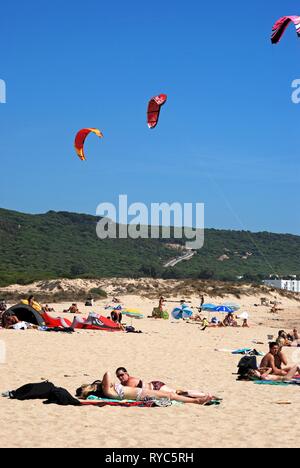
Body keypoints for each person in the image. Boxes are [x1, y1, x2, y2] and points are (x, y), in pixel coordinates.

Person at [76, 372, 215, 405]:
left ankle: (198, 398)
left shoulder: (109, 390)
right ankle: (197, 401)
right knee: (171, 396)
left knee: (171, 395)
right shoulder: (108, 391)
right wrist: (97, 384)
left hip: (140, 393)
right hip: (140, 394)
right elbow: (107, 373)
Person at [115, 368, 213, 399]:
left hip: (156, 387)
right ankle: (201, 394)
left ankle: (204, 395)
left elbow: (128, 392)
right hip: (155, 386)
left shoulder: (130, 381)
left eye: (122, 375)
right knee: (178, 392)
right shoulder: (125, 382)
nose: (120, 377)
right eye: (118, 376)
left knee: (177, 393)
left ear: (127, 374)